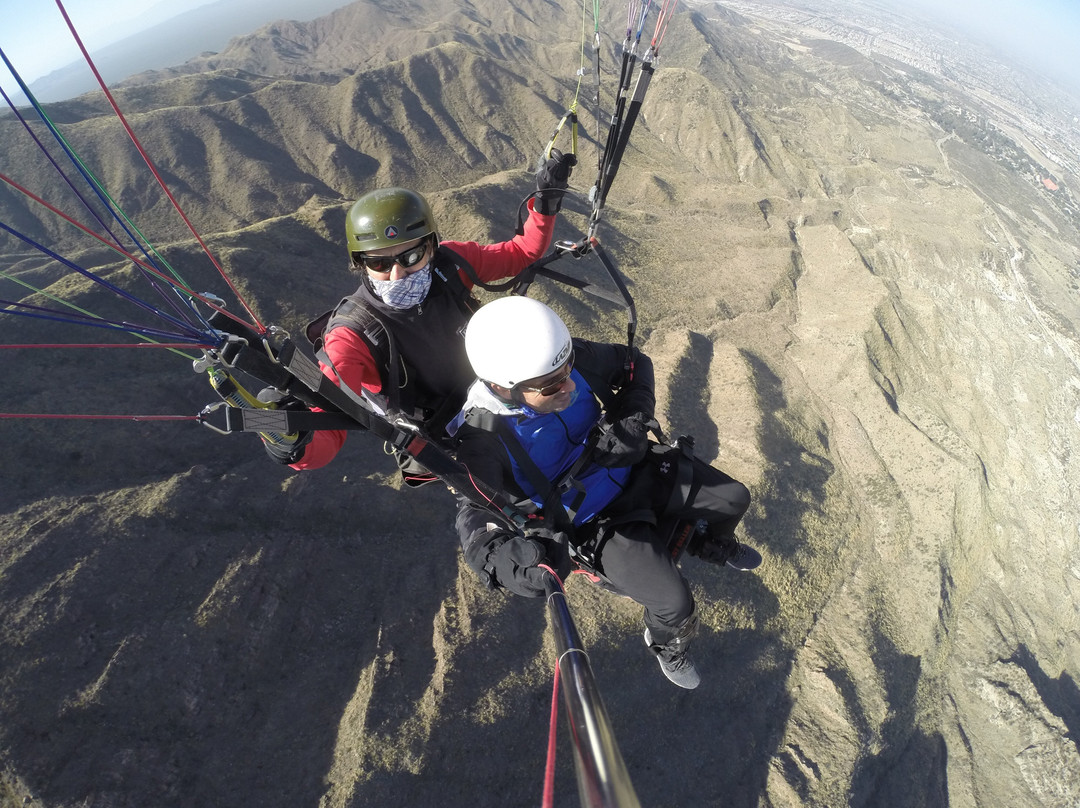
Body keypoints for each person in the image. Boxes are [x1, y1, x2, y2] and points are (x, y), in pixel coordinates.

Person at [447, 296, 761, 689]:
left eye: (568, 371)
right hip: (594, 520)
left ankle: (708, 544)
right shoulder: (480, 438)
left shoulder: (556, 361)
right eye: (550, 386)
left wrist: (629, 420)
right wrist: (509, 565)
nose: (566, 386)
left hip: (628, 465)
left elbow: (634, 365)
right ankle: (666, 645)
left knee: (734, 498)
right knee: (674, 603)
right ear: (502, 387)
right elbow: (474, 512)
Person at [263, 150, 577, 473]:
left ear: (431, 246)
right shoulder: (351, 335)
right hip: (456, 432)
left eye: (411, 257)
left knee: (572, 362)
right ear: (360, 264)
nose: (398, 274)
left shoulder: (450, 264)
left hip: (498, 381)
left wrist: (545, 202)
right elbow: (330, 418)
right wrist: (291, 439)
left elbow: (521, 252)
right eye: (380, 263)